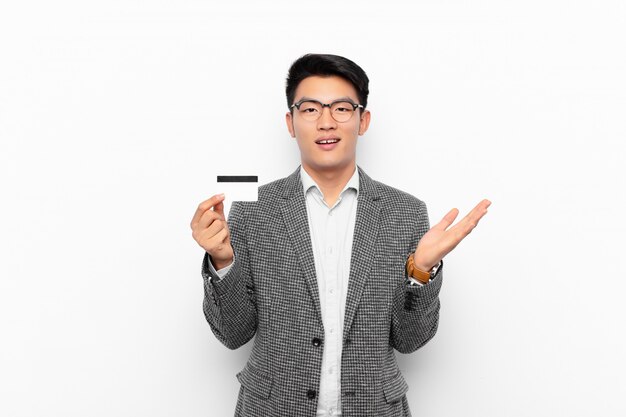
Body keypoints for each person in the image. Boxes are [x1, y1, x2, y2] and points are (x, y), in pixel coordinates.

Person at [190, 53, 490, 417]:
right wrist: (223, 261)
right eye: (311, 109)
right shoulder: (253, 209)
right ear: (291, 121)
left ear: (363, 120)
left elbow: (411, 341)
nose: (326, 122)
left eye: (342, 109)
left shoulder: (406, 212)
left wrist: (421, 271)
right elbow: (232, 334)